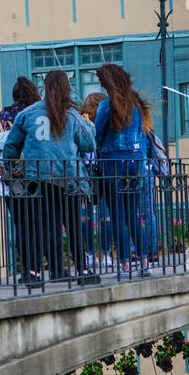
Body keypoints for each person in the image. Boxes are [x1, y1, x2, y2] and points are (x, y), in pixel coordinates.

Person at [2, 69, 95, 286]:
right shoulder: (70, 115)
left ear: (44, 87)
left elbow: (12, 146)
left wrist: (10, 166)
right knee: (72, 224)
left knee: (43, 225)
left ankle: (33, 273)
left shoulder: (28, 113)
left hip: (37, 178)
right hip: (68, 177)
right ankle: (83, 269)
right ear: (66, 88)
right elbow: (88, 144)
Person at [94, 64, 153, 279]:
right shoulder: (136, 104)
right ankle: (144, 261)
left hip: (112, 162)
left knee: (117, 215)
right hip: (135, 163)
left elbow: (97, 135)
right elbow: (140, 134)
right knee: (133, 214)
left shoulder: (106, 105)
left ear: (106, 83)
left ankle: (125, 263)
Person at [0, 77, 41, 280]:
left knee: (20, 225)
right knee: (37, 224)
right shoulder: (33, 115)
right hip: (33, 176)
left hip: (9, 178)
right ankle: (36, 267)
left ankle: (25, 269)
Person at [77, 91, 113, 273]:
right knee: (85, 216)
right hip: (85, 171)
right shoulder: (81, 121)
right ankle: (91, 253)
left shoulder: (106, 123)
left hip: (101, 171)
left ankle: (104, 253)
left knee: (105, 215)